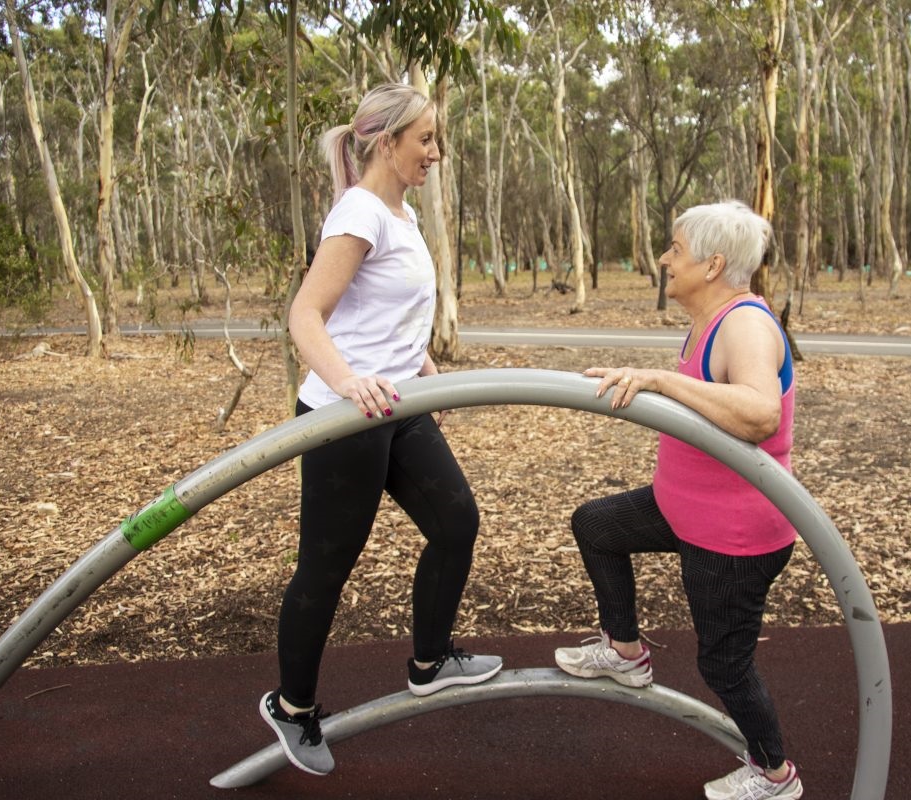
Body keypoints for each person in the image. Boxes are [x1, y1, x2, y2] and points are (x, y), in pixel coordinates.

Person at [259, 83, 501, 777]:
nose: (436, 151)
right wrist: (346, 381)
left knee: (456, 521)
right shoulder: (360, 211)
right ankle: (293, 707)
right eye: (425, 138)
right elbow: (307, 314)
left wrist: (418, 361)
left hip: (396, 405)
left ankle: (430, 662)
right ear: (387, 142)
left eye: (436, 137)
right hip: (346, 416)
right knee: (328, 565)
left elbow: (389, 308)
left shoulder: (401, 211)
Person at [554, 200, 804, 800]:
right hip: (681, 510)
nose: (666, 259)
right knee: (597, 525)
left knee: (723, 665)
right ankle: (625, 651)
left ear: (713, 264)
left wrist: (662, 380)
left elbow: (760, 413)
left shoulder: (744, 324)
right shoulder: (707, 320)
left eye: (676, 249)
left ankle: (775, 776)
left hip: (733, 535)